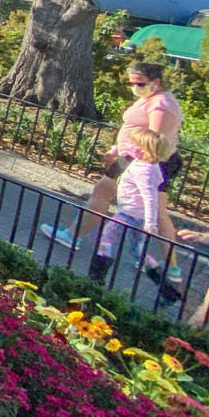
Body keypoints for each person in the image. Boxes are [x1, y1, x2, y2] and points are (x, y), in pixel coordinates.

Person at [42, 62, 183, 278]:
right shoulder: (151, 99)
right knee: (104, 193)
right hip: (135, 157)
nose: (134, 86)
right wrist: (118, 148)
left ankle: (170, 267)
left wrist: (125, 157)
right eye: (131, 82)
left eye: (140, 83)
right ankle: (74, 235)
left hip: (144, 161)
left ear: (156, 83)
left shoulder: (161, 105)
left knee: (154, 213)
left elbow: (153, 140)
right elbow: (137, 131)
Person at [87, 127, 171, 286]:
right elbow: (158, 183)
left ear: (145, 149)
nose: (130, 145)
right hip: (134, 214)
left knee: (107, 237)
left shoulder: (143, 170)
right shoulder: (149, 166)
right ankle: (167, 288)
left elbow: (150, 197)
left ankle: (95, 277)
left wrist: (151, 223)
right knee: (138, 251)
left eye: (134, 143)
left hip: (129, 214)